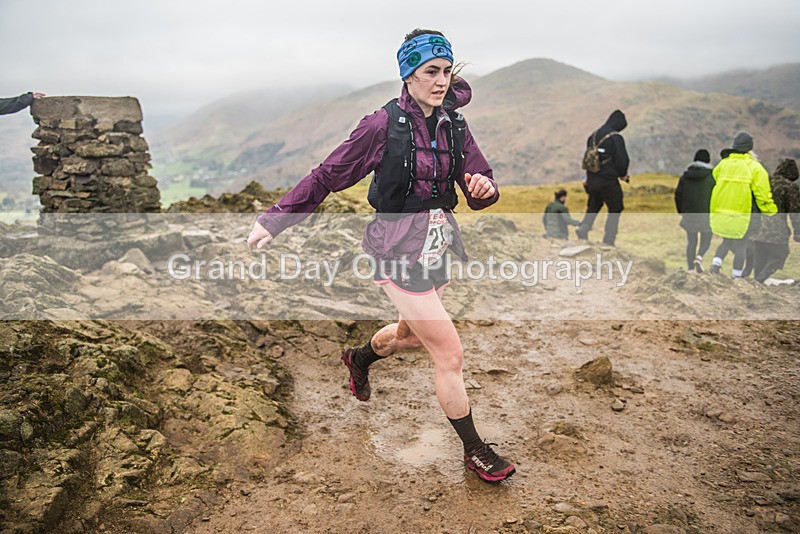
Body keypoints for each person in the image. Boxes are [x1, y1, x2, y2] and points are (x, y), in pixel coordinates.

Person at [246, 29, 515, 483]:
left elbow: (478, 181)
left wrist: (483, 188)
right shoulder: (380, 126)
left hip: (438, 245)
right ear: (407, 75)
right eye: (431, 72)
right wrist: (274, 219)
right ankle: (475, 449)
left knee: (411, 337)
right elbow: (328, 175)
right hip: (394, 249)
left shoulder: (455, 124)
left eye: (447, 71)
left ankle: (360, 358)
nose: (441, 81)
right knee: (448, 353)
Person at [708, 131, 777, 278]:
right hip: (743, 214)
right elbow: (763, 195)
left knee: (726, 241)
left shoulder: (722, 164)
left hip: (721, 212)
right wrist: (771, 211)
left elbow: (715, 179)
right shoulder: (755, 168)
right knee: (741, 245)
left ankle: (715, 264)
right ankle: (737, 277)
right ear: (749, 148)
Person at [576, 110, 630, 246]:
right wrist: (622, 173)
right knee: (615, 207)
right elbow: (621, 160)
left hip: (592, 179)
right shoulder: (615, 137)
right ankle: (609, 240)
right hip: (608, 180)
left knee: (594, 205)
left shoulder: (593, 136)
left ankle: (583, 228)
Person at [749, 158, 800, 283]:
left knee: (760, 257)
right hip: (777, 229)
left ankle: (756, 284)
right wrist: (798, 231)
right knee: (780, 254)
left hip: (757, 226)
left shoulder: (765, 181)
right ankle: (759, 280)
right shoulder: (790, 187)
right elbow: (795, 212)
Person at [674, 149, 715, 272]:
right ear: (708, 161)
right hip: (707, 213)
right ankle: (699, 257)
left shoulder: (685, 176)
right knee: (706, 240)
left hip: (690, 213)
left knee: (691, 241)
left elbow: (678, 194)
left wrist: (681, 210)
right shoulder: (712, 177)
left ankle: (690, 269)